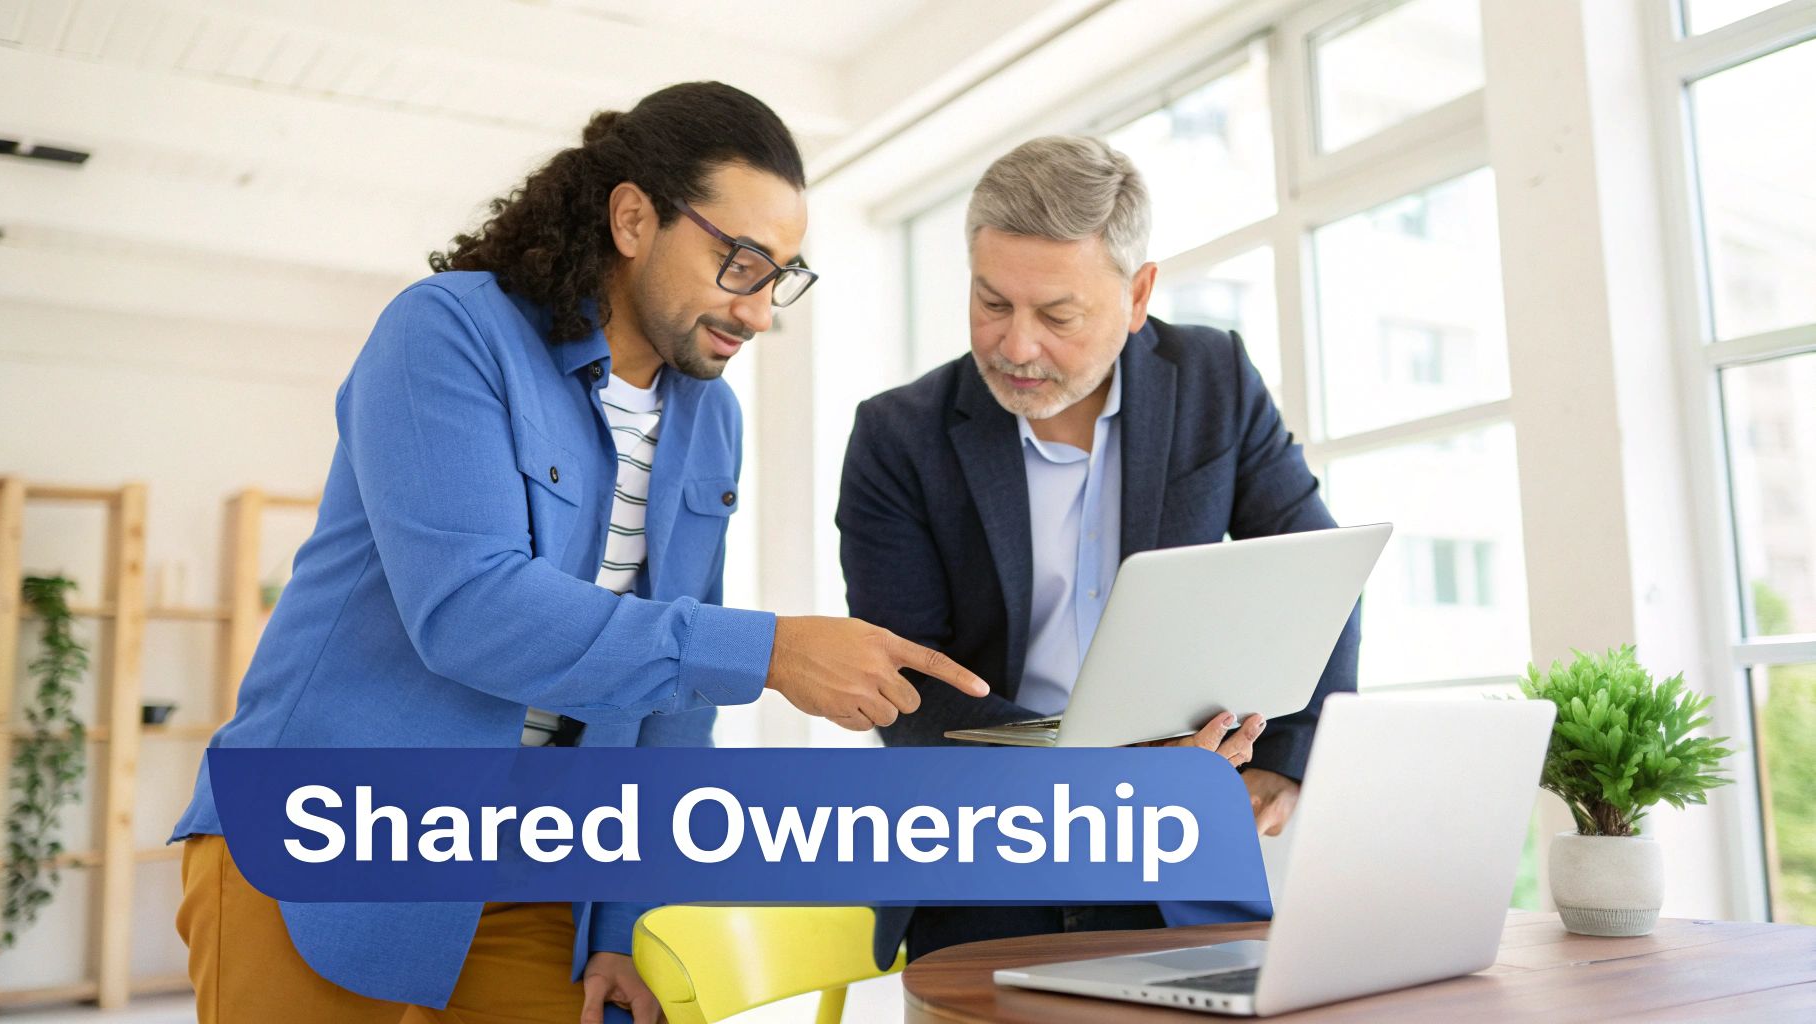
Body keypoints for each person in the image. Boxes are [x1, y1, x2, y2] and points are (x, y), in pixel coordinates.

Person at [170, 81, 988, 1024]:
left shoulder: (708, 419)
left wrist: (625, 923)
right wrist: (768, 650)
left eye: (782, 276)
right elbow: (470, 610)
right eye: (743, 263)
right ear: (634, 218)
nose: (760, 312)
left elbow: (673, 708)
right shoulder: (450, 330)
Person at [836, 135, 1359, 968]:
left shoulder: (1215, 379)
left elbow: (1322, 571)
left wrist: (1289, 759)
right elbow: (906, 686)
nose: (1015, 346)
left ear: (1138, 293)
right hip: (983, 852)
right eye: (991, 302)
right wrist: (1109, 771)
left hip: (1178, 846)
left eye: (1057, 315)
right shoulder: (898, 437)